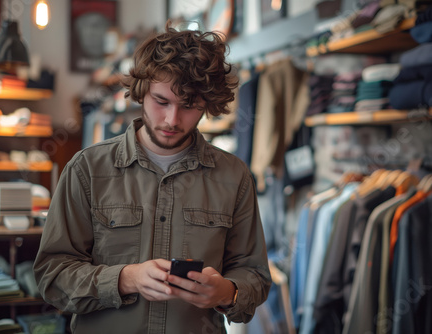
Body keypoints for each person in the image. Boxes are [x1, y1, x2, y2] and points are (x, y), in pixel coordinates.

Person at [34, 22, 271, 334]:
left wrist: (228, 292)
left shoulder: (234, 176)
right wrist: (125, 278)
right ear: (142, 91)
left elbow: (254, 275)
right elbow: (52, 276)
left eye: (189, 106)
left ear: (206, 105)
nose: (172, 120)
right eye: (162, 102)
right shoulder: (86, 169)